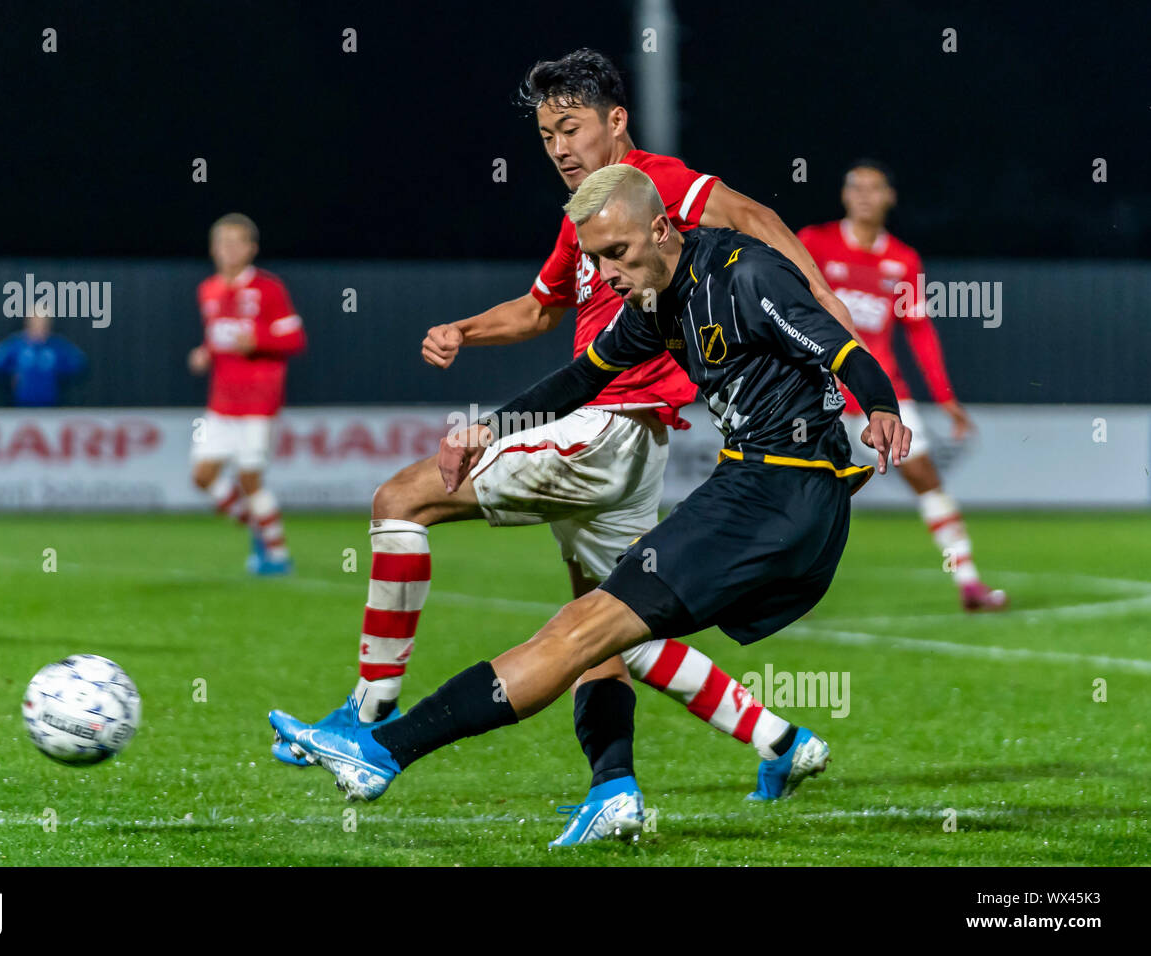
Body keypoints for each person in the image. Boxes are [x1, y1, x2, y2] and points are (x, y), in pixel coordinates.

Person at [270, 49, 861, 847]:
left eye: (571, 126)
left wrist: (828, 323)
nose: (557, 145)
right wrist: (464, 331)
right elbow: (542, 309)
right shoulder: (582, 219)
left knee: (401, 499)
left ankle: (368, 716)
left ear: (616, 122)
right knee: (608, 628)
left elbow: (755, 221)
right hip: (623, 432)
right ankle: (726, 756)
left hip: (611, 425)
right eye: (547, 132)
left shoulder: (658, 186)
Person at [798, 162, 1006, 610]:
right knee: (789, 487)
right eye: (856, 187)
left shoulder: (903, 260)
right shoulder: (814, 243)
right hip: (819, 393)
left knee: (926, 478)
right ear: (844, 195)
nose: (864, 196)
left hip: (881, 395)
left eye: (874, 188)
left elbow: (919, 330)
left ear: (890, 197)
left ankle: (969, 583)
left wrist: (945, 397)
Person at [188, 213, 307, 575]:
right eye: (222, 243)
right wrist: (205, 353)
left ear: (252, 249)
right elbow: (218, 338)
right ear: (213, 248)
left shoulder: (268, 288)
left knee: (250, 479)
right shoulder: (208, 289)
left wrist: (259, 340)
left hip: (258, 402)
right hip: (221, 403)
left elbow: (296, 339)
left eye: (237, 243)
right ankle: (257, 525)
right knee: (202, 475)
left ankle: (278, 555)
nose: (229, 250)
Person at [0, 304, 86, 406]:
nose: (39, 326)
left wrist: (57, 375)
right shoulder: (16, 344)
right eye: (36, 321)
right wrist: (12, 373)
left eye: (43, 322)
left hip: (50, 404)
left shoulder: (56, 345)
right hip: (21, 404)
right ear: (28, 322)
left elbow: (78, 362)